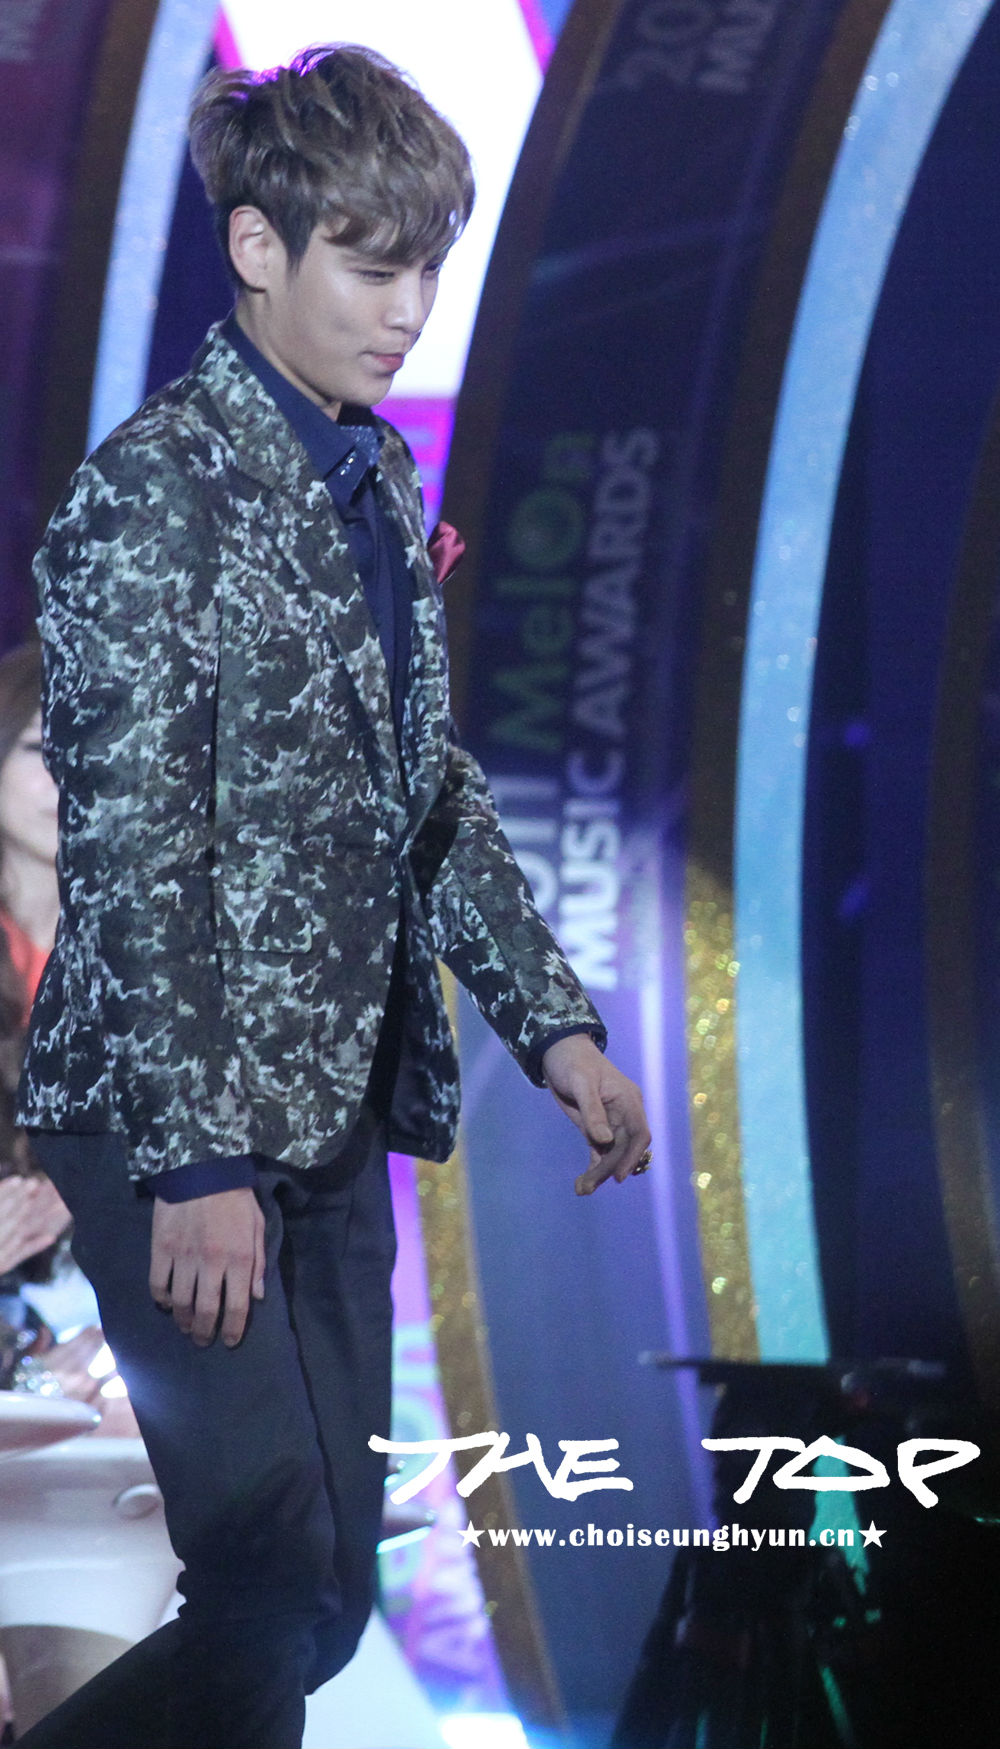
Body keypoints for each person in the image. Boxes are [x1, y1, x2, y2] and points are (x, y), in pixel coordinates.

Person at [16, 44, 652, 1749]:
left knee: (321, 1595)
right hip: (170, 1118)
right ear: (256, 246)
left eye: (429, 268)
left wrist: (557, 1030)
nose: (411, 311)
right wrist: (196, 1165)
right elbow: (136, 857)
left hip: (333, 1108)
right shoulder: (151, 499)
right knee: (265, 1573)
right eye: (374, 268)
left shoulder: (374, 479)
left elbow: (425, 793)